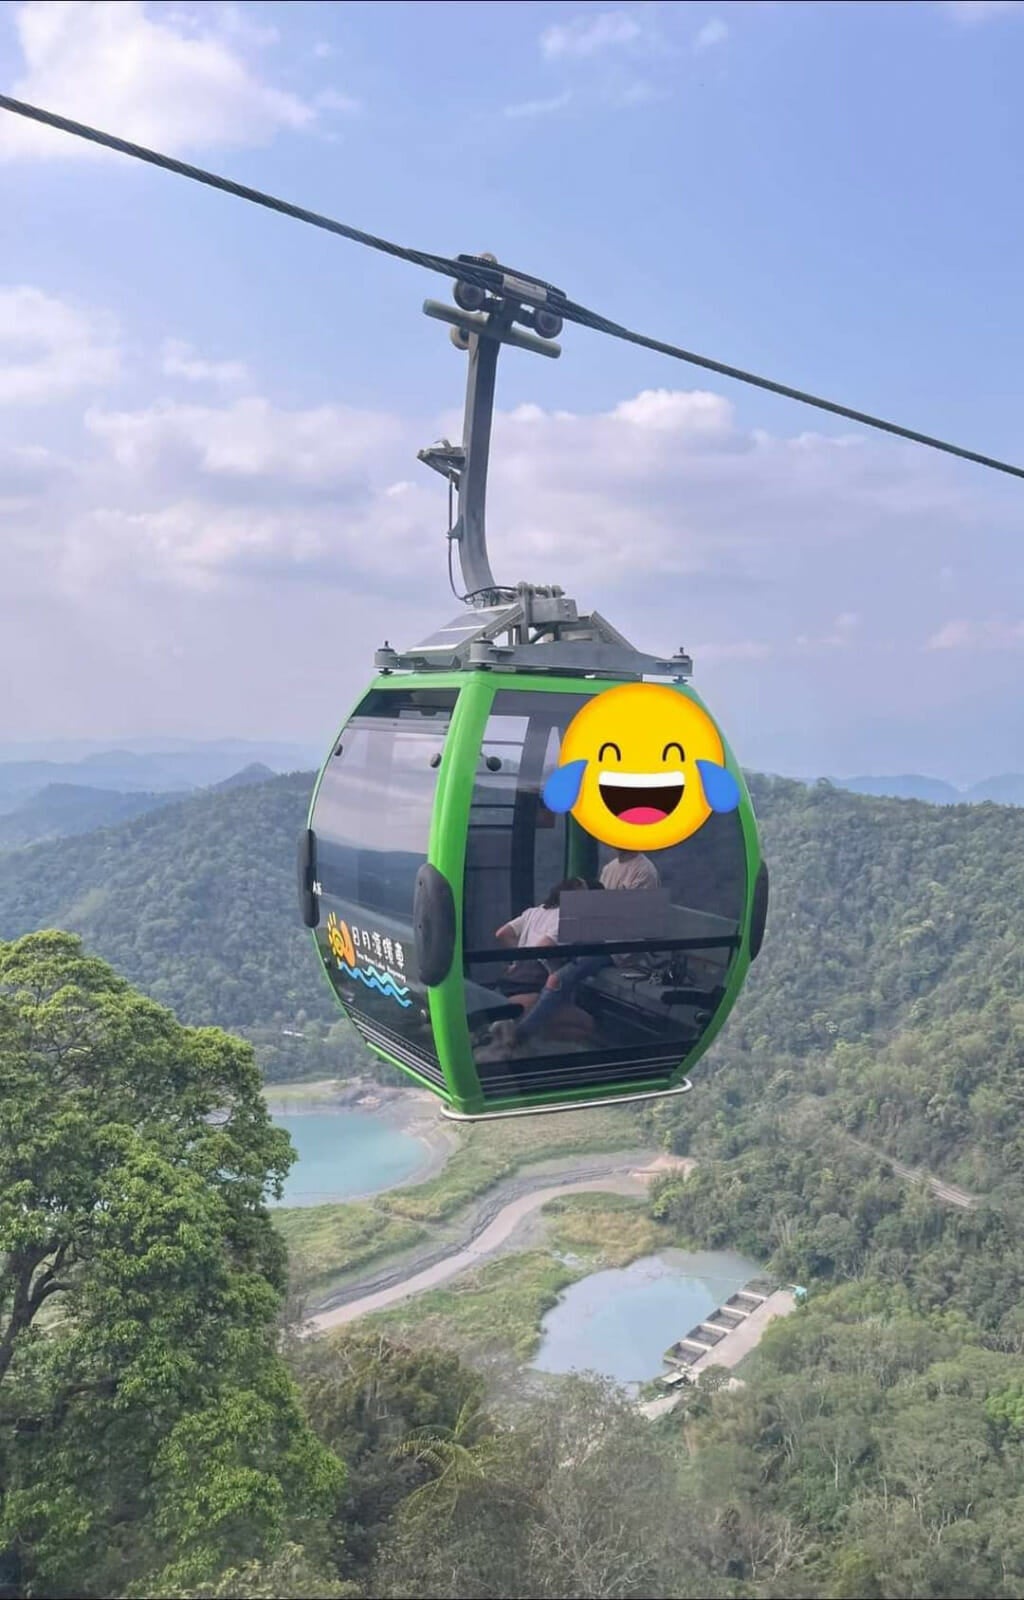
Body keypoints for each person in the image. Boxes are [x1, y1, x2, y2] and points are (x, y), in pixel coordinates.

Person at [481, 854, 662, 1057]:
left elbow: (502, 934)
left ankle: (524, 1037)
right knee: (577, 1011)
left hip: (509, 983)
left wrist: (518, 960)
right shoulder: (570, 916)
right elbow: (544, 948)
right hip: (532, 986)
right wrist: (552, 968)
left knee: (563, 983)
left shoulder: (535, 911)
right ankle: (520, 1038)